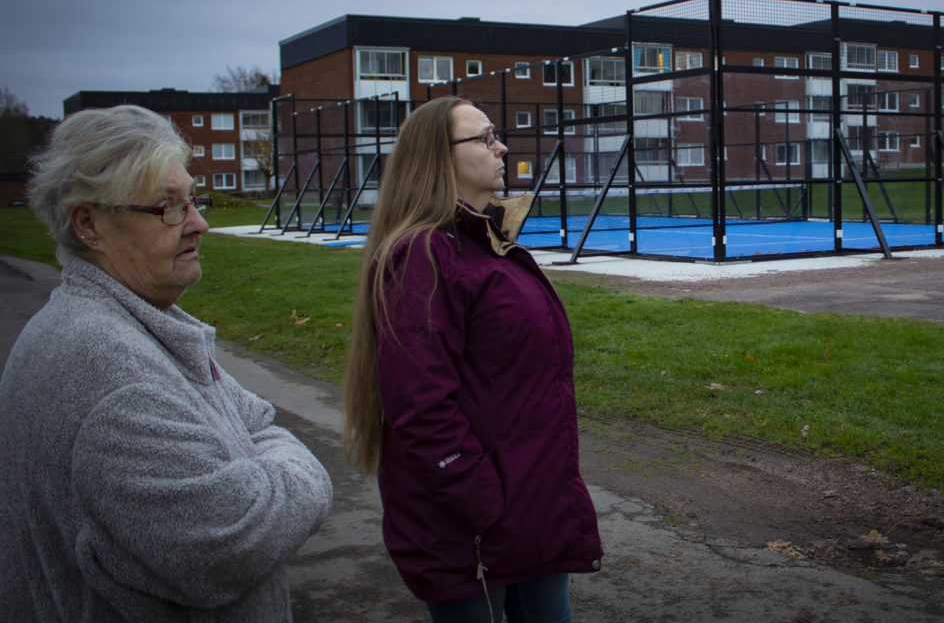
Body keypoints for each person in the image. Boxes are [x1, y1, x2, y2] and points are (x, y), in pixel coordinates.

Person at [0, 105, 333, 621]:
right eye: (167, 207)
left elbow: (258, 418)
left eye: (191, 201)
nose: (198, 223)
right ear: (89, 223)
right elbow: (234, 540)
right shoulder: (111, 376)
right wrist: (298, 471)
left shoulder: (125, 327)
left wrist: (253, 459)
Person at [343, 96, 602, 622]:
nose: (500, 146)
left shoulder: (481, 244)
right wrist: (482, 501)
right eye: (485, 138)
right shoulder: (424, 255)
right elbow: (420, 406)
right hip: (476, 529)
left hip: (530, 510)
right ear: (440, 157)